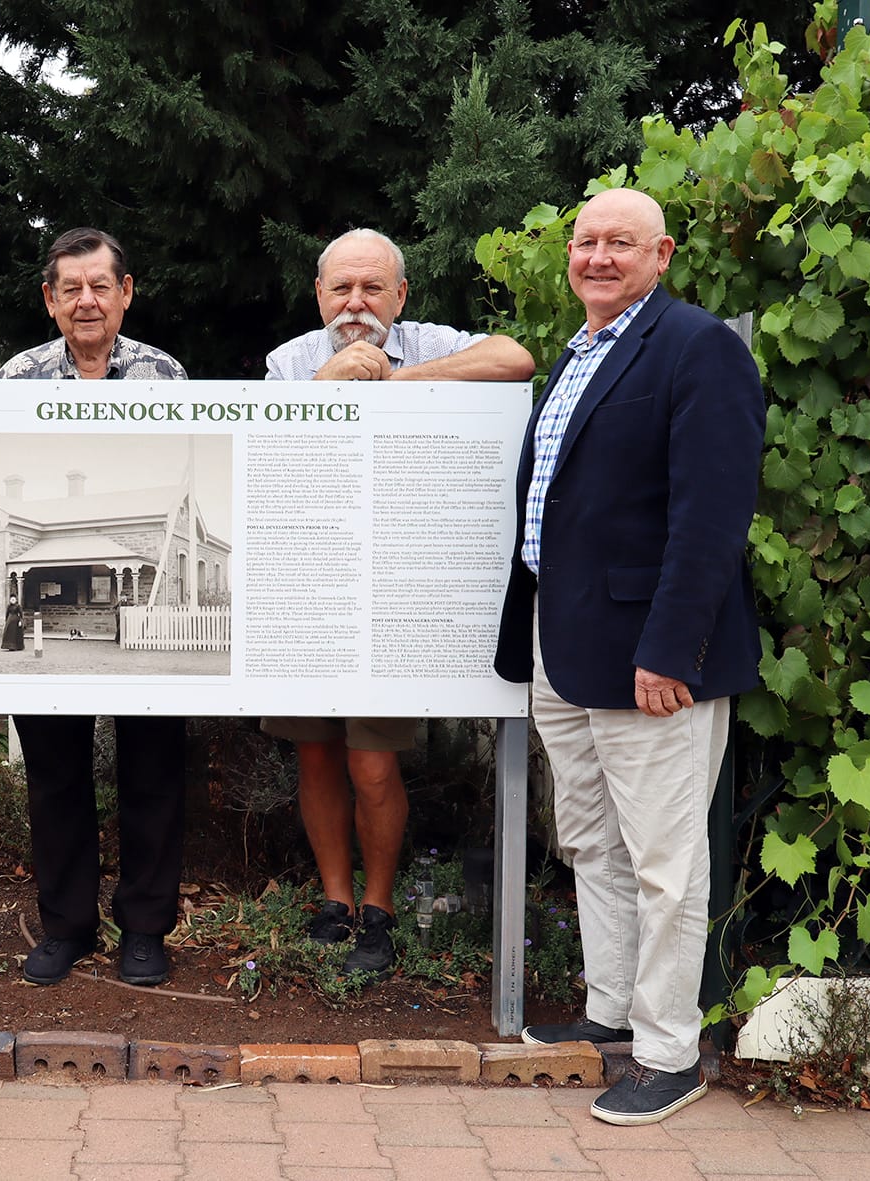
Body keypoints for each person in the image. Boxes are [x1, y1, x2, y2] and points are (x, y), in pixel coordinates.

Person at [493, 188, 765, 1126]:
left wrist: (670, 649)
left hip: (649, 657)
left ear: (663, 254)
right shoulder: (580, 351)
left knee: (665, 861)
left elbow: (711, 518)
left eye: (621, 242)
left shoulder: (698, 348)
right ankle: (610, 1011)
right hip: (563, 647)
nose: (598, 256)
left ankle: (666, 1051)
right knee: (593, 841)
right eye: (586, 241)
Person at [262, 228, 535, 978]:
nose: (356, 304)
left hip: (396, 590)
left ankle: (379, 910)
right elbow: (265, 453)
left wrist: (396, 379)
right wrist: (328, 383)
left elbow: (516, 359)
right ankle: (335, 900)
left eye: (372, 288)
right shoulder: (289, 361)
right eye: (341, 289)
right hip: (312, 583)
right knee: (314, 754)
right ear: (319, 295)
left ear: (400, 294)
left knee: (373, 763)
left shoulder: (431, 341)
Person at [0, 227, 188, 988]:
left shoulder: (167, 376)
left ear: (125, 292)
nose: (86, 301)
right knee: (55, 773)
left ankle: (145, 927)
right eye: (69, 288)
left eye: (100, 286)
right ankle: (66, 925)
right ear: (49, 300)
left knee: (153, 770)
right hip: (58, 536)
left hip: (141, 620)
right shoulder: (14, 379)